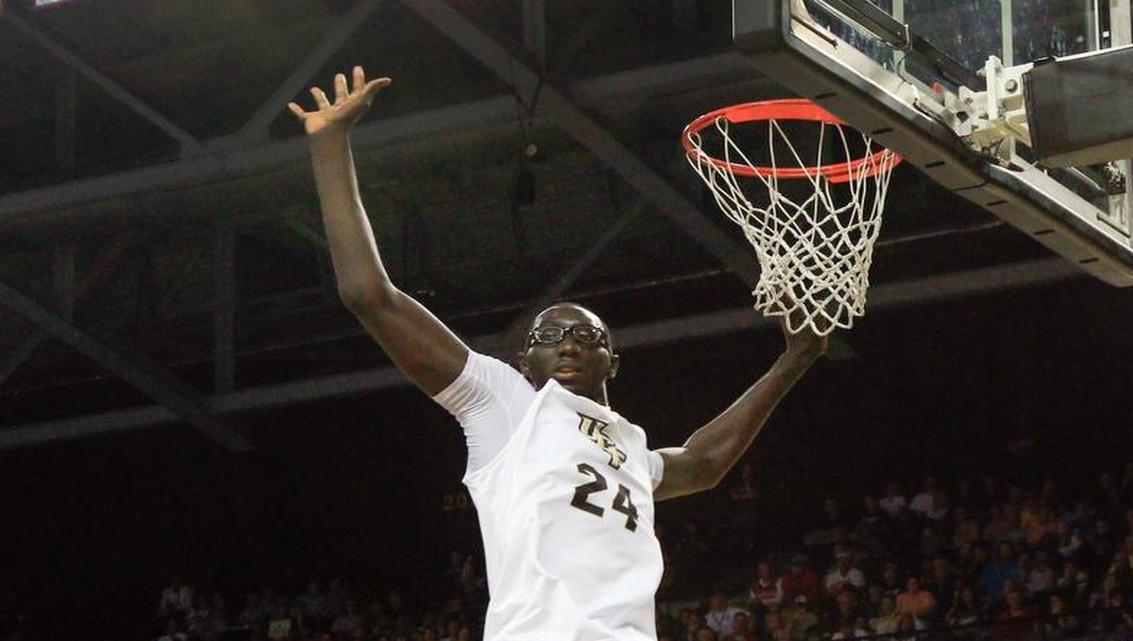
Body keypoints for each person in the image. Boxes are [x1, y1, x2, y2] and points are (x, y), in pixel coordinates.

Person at [288, 68, 828, 641]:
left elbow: (703, 463)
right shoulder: (506, 405)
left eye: (587, 336)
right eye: (548, 337)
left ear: (611, 363)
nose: (568, 342)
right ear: (525, 362)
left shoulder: (628, 447)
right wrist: (329, 144)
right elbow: (369, 296)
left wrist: (796, 357)